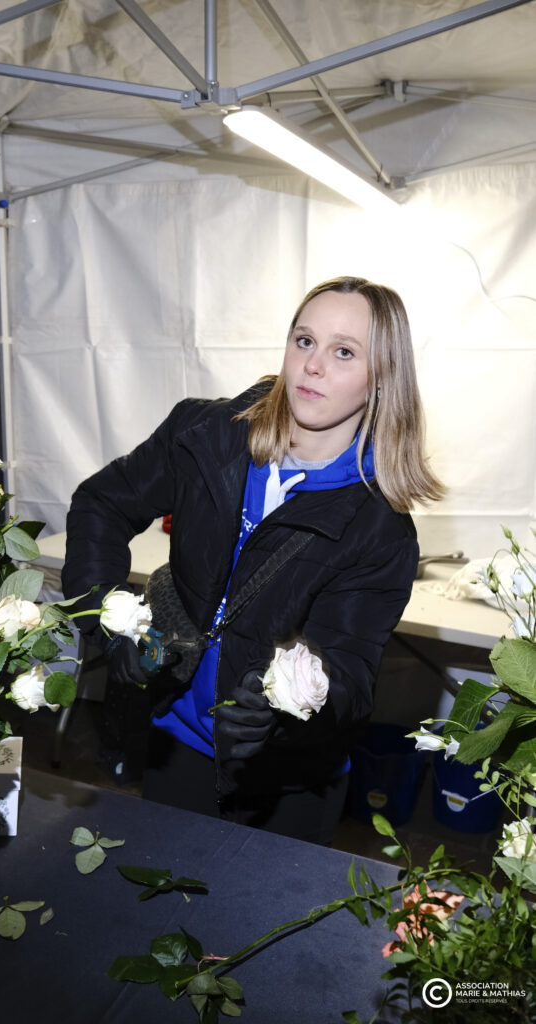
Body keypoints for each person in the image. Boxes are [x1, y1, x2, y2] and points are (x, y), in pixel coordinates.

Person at [62, 275, 444, 844]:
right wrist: (105, 617)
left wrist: (283, 722)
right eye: (304, 340)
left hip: (288, 782)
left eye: (344, 352)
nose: (312, 365)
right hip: (175, 741)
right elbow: (103, 504)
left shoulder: (379, 529)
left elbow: (349, 674)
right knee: (161, 890)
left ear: (382, 379)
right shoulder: (205, 434)